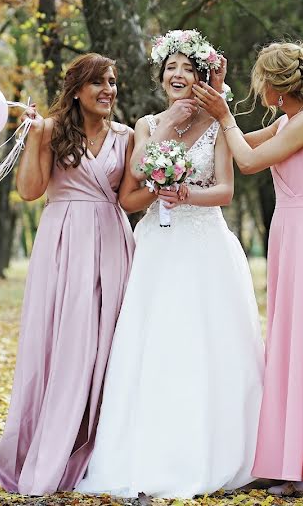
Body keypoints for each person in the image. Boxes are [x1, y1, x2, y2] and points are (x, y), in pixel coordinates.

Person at [76, 30, 263, 499]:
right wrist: (164, 133)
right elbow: (131, 189)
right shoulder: (145, 123)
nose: (177, 75)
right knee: (157, 346)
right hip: (158, 250)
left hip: (206, 248)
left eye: (186, 67)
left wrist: (185, 194)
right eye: (170, 68)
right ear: (161, 78)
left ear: (200, 74)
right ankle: (151, 453)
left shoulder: (219, 122)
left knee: (210, 346)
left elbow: (224, 190)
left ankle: (220, 453)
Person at [195, 41, 303, 496]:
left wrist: (225, 118)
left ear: (277, 85)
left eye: (263, 81)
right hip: (292, 238)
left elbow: (250, 162)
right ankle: (291, 458)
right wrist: (215, 105)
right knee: (293, 345)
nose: (260, 88)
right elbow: (237, 147)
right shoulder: (290, 121)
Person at [0, 53, 135, 495]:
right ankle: (48, 446)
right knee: (63, 342)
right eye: (98, 82)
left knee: (106, 345)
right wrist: (31, 138)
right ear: (76, 89)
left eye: (112, 81)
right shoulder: (48, 130)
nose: (109, 90)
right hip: (64, 243)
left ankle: (98, 447)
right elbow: (29, 190)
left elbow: (127, 198)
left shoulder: (125, 136)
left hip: (112, 242)